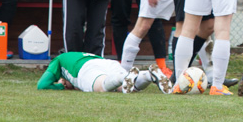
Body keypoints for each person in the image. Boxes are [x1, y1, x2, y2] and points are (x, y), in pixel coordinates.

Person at [37, 51, 172, 94]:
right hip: (107, 62)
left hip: (84, 69)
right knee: (126, 88)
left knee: (102, 86)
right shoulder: (79, 55)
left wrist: (60, 86)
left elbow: (42, 85)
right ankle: (148, 75)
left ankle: (122, 77)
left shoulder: (59, 60)